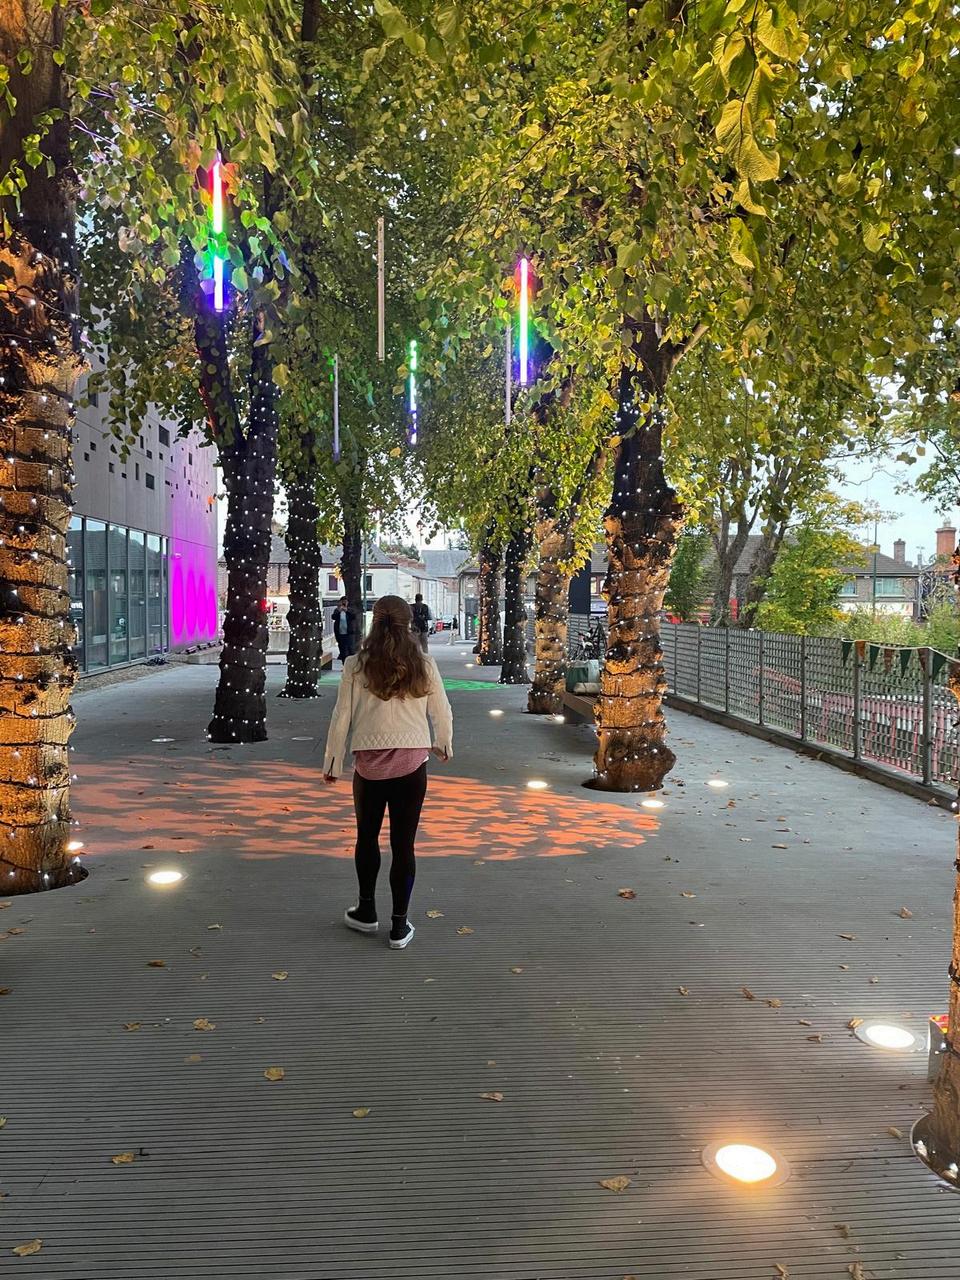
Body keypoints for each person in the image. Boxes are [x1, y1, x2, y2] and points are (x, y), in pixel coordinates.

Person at [322, 595, 453, 950]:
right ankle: (399, 924)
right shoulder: (423, 663)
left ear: (374, 620)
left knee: (367, 837)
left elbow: (342, 716)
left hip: (369, 763)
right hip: (412, 762)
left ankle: (366, 911)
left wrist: (333, 761)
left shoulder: (356, 665)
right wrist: (443, 743)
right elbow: (442, 709)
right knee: (403, 844)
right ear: (408, 621)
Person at [331, 596, 357, 666]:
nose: (344, 603)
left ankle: (352, 665)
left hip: (349, 633)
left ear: (347, 602)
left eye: (345, 601)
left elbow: (353, 616)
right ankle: (344, 664)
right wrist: (339, 611)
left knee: (350, 649)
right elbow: (333, 617)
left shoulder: (350, 610)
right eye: (343, 601)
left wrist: (346, 611)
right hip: (339, 633)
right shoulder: (337, 610)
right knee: (342, 649)